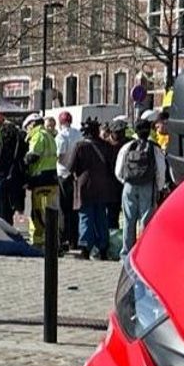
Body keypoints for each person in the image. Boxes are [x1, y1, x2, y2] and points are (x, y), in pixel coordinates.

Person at [65, 118, 120, 260]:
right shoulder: (106, 146)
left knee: (86, 217)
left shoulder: (80, 146)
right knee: (101, 217)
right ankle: (103, 247)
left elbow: (70, 167)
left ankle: (85, 247)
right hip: (103, 187)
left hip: (84, 187)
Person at [115, 110, 168, 256]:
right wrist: (159, 186)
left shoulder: (127, 147)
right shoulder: (154, 147)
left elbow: (118, 170)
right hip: (147, 185)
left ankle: (126, 253)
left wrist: (126, 181)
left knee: (128, 220)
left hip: (129, 186)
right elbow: (161, 169)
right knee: (146, 220)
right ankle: (143, 253)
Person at [24, 113, 60, 250]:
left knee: (39, 213)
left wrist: (23, 161)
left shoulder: (38, 135)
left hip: (40, 180)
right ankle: (52, 241)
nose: (28, 130)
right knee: (50, 212)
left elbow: (33, 156)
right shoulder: (49, 136)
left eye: (28, 127)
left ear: (32, 124)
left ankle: (40, 242)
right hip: (51, 178)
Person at [54, 110, 82, 250]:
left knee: (63, 209)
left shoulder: (61, 137)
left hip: (63, 174)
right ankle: (74, 239)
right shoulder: (78, 134)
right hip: (76, 175)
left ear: (60, 122)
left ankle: (64, 238)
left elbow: (59, 155)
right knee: (75, 208)